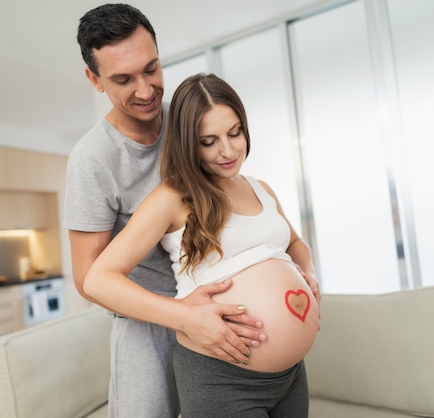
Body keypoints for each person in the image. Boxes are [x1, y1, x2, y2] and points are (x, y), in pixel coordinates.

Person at [65, 4, 286, 418]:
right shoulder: (93, 160)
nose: (146, 89)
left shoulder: (189, 123)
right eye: (123, 79)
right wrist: (182, 316)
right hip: (147, 322)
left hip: (221, 315)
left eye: (152, 69)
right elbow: (87, 278)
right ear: (94, 80)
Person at [85, 73, 321, 417]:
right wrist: (184, 317)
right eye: (208, 141)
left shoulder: (261, 189)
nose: (227, 150)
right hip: (220, 376)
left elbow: (296, 243)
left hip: (290, 374)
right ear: (187, 143)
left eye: (235, 132)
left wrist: (309, 273)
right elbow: (98, 279)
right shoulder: (172, 197)